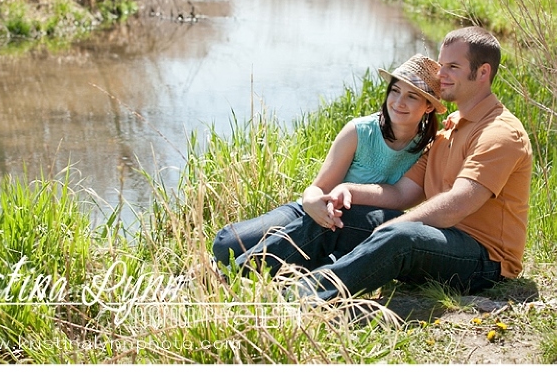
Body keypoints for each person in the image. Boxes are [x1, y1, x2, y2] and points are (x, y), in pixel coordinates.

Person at [290, 27, 533, 303]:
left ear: (482, 72)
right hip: (444, 238)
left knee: (400, 236)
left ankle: (301, 300)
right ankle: (248, 271)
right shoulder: (450, 130)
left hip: (486, 261)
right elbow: (402, 194)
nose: (441, 74)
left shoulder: (500, 133)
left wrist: (390, 228)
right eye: (442, 65)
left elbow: (459, 203)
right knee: (346, 216)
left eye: (453, 66)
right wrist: (347, 191)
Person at [213, 55, 444, 275]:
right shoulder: (360, 131)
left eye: (412, 96)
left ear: (428, 106)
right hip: (316, 211)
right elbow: (319, 188)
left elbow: (404, 198)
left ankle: (252, 271)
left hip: (355, 228)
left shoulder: (429, 149)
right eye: (395, 91)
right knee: (227, 245)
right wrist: (311, 201)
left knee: (314, 261)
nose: (399, 102)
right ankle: (278, 258)